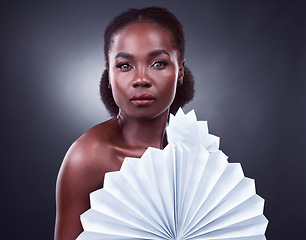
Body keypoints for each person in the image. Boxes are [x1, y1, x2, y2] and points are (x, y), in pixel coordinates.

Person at [54, 7, 194, 240]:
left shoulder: (193, 150)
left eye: (158, 63)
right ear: (109, 73)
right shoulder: (88, 157)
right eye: (124, 65)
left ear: (179, 70)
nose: (141, 79)